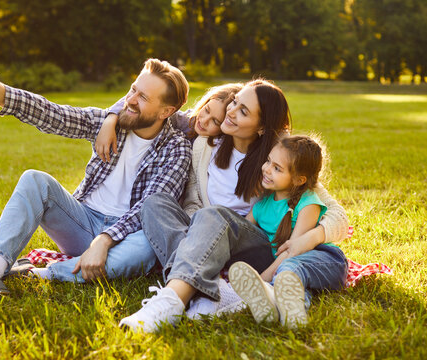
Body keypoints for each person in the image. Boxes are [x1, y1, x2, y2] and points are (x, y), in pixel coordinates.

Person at [0, 52, 192, 305]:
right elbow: (52, 114)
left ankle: (38, 273)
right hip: (82, 222)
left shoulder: (176, 149)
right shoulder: (110, 121)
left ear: (165, 111)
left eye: (143, 97)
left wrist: (104, 241)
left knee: (146, 249)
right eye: (133, 89)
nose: (131, 100)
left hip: (126, 238)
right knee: (35, 180)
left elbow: (146, 209)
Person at [119, 79, 349, 332]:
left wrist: (309, 238)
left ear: (261, 126)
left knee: (215, 215)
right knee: (155, 202)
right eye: (235, 102)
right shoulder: (204, 146)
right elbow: (193, 200)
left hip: (253, 244)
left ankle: (170, 302)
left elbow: (336, 214)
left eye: (243, 111)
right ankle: (210, 289)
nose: (231, 111)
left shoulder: (278, 157)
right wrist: (110, 119)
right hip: (206, 235)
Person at [228, 135, 347, 328]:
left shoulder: (308, 203)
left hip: (325, 261)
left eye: (277, 168)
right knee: (289, 280)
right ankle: (284, 311)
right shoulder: (261, 207)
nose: (266, 169)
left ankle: (269, 291)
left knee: (289, 270)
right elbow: (242, 236)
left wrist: (262, 279)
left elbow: (294, 250)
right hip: (287, 270)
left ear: (299, 180)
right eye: (268, 161)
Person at [94, 83, 243, 162]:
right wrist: (110, 119)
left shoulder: (220, 146)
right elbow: (135, 103)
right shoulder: (183, 121)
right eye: (207, 110)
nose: (204, 120)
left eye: (215, 121)